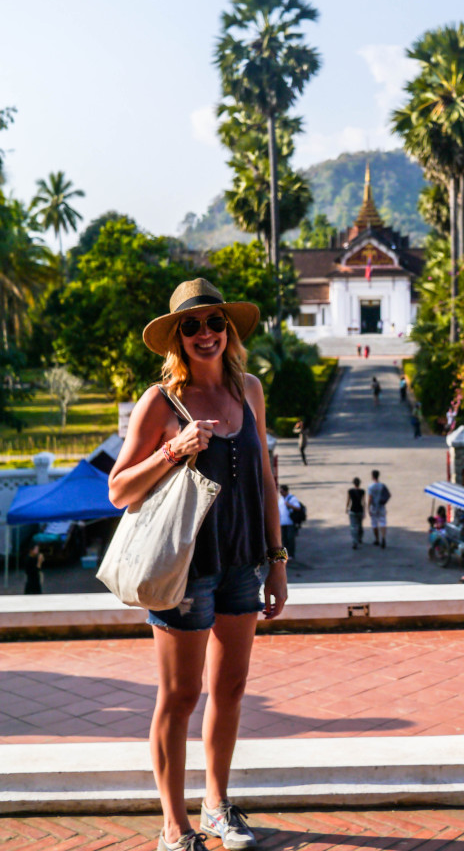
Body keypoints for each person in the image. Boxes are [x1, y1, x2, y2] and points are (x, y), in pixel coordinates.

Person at [108, 278, 287, 851]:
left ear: (228, 330)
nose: (205, 333)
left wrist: (277, 561)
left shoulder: (250, 390)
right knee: (181, 695)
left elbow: (265, 479)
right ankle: (173, 824)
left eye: (214, 322)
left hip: (242, 562)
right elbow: (117, 491)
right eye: (191, 326)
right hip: (185, 568)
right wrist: (173, 448)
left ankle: (216, 806)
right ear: (176, 338)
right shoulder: (162, 402)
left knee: (230, 688)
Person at [367, 469, 390, 548]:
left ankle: (377, 540)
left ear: (372, 476)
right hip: (381, 506)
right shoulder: (382, 485)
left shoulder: (370, 486)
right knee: (383, 522)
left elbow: (370, 498)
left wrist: (368, 508)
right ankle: (383, 537)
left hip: (374, 506)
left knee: (374, 523)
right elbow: (389, 494)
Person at [278, 484, 301, 560]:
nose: (281, 493)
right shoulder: (280, 499)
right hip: (282, 522)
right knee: (283, 539)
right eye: (280, 492)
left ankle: (291, 554)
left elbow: (298, 508)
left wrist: (289, 505)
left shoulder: (292, 498)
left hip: (290, 523)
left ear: (286, 491)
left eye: (282, 491)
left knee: (290, 539)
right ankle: (284, 555)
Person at [346, 477, 366, 549]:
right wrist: (364, 511)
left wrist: (346, 508)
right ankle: (360, 538)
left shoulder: (350, 491)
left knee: (353, 526)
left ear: (353, 483)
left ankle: (355, 541)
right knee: (360, 525)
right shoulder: (362, 491)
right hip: (360, 510)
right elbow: (363, 502)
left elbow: (348, 501)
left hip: (353, 510)